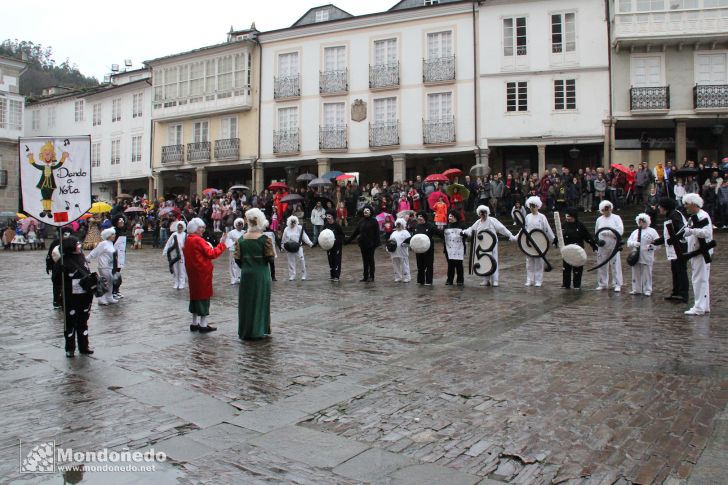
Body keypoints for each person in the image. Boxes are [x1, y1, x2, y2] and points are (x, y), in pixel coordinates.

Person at [183, 218, 227, 333]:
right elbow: (212, 253)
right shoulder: (198, 240)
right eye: (200, 228)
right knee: (203, 297)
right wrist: (222, 244)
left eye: (203, 227)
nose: (202, 230)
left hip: (193, 273)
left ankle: (194, 322)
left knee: (194, 297)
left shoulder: (188, 239)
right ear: (194, 229)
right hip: (202, 273)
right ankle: (203, 324)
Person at [235, 208, 273, 340]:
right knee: (260, 301)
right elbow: (270, 259)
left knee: (246, 303)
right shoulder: (264, 239)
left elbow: (237, 260)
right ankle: (258, 330)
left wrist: (247, 265)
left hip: (246, 274)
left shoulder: (241, 239)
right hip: (261, 273)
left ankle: (246, 331)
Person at [462, 205, 516, 287]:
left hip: (492, 244)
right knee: (484, 262)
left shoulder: (492, 220)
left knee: (494, 261)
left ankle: (495, 280)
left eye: (484, 212)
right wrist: (465, 232)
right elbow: (471, 229)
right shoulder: (478, 222)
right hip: (482, 245)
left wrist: (509, 235)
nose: (483, 214)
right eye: (481, 213)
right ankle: (486, 280)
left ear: (487, 213)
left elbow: (501, 228)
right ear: (479, 214)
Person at [60, 236, 94, 357]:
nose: (79, 246)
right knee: (70, 323)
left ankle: (84, 346)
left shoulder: (81, 257)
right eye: (77, 244)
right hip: (71, 296)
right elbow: (57, 280)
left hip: (85, 295)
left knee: (83, 322)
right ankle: (70, 348)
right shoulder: (63, 261)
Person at [681, 193, 714, 316]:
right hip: (695, 252)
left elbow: (706, 233)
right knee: (699, 279)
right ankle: (703, 305)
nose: (685, 207)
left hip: (701, 252)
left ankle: (699, 307)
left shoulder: (703, 216)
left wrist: (692, 231)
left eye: (687, 204)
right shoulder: (693, 217)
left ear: (693, 204)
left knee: (699, 279)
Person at [653, 198, 689, 303]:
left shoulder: (674, 215)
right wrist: (657, 241)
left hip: (679, 247)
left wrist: (671, 240)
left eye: (660, 206)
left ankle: (683, 294)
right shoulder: (670, 215)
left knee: (681, 270)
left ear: (665, 207)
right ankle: (676, 292)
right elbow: (669, 235)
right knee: (675, 270)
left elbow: (680, 230)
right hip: (674, 247)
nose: (659, 208)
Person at [560, 208, 597, 290]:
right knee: (566, 268)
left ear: (574, 217)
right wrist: (555, 241)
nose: (568, 218)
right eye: (567, 216)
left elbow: (587, 236)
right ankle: (566, 284)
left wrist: (593, 245)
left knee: (577, 267)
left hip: (577, 251)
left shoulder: (580, 225)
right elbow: (560, 235)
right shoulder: (564, 224)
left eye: (570, 217)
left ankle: (576, 284)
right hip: (566, 250)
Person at [523, 196, 555, 287]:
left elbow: (547, 229)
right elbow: (524, 229)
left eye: (534, 206)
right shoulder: (527, 217)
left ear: (538, 206)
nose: (532, 208)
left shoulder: (542, 217)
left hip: (540, 242)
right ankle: (529, 280)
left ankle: (538, 280)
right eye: (531, 206)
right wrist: (515, 237)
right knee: (529, 262)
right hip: (529, 242)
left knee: (539, 262)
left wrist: (553, 239)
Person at [626, 213, 659, 296]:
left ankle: (647, 289)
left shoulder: (652, 231)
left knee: (647, 273)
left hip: (647, 255)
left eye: (643, 221)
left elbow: (658, 244)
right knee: (636, 272)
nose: (641, 223)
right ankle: (636, 289)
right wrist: (634, 244)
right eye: (639, 221)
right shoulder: (635, 232)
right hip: (636, 255)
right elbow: (628, 242)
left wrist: (650, 247)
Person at [595, 200, 624, 292]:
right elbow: (596, 232)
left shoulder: (616, 218)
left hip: (613, 244)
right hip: (603, 246)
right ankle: (602, 283)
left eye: (608, 209)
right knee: (602, 264)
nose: (607, 211)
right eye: (604, 209)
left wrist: (609, 233)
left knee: (615, 264)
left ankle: (617, 283)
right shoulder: (599, 219)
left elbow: (620, 230)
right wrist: (598, 241)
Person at [346, 206, 380, 282]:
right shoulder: (361, 221)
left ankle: (371, 276)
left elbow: (377, 234)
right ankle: (365, 276)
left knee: (370, 260)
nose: (366, 211)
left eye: (367, 210)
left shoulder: (374, 221)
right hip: (363, 244)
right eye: (364, 210)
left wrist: (376, 244)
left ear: (370, 212)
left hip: (371, 244)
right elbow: (355, 232)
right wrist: (348, 241)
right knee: (365, 260)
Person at [86, 228, 118, 305]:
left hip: (110, 266)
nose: (114, 236)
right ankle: (101, 299)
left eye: (114, 234)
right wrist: (87, 258)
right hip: (103, 266)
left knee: (110, 281)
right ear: (108, 236)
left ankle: (109, 297)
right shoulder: (103, 243)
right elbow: (95, 251)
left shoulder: (110, 243)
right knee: (105, 282)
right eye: (112, 234)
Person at [281, 215, 313, 281]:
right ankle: (292, 275)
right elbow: (283, 239)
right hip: (289, 247)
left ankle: (304, 274)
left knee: (302, 259)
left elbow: (304, 236)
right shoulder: (286, 229)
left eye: (294, 223)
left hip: (298, 246)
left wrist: (310, 243)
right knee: (291, 261)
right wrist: (282, 246)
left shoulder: (299, 228)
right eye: (292, 223)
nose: (293, 224)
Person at [323, 211, 345, 281]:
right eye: (327, 216)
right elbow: (322, 234)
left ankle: (336, 276)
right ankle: (332, 275)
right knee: (331, 260)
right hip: (329, 246)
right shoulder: (326, 225)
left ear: (332, 216)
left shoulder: (337, 225)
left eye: (329, 216)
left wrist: (337, 240)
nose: (328, 218)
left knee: (337, 260)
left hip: (337, 246)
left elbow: (342, 235)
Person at [388, 218, 411, 283]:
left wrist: (405, 244)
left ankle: (407, 277)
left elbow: (409, 241)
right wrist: (388, 248)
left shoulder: (406, 232)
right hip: (394, 252)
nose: (398, 225)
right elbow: (390, 241)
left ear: (403, 225)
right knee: (395, 264)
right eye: (397, 224)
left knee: (404, 264)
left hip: (402, 252)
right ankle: (398, 277)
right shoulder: (393, 233)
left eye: (399, 224)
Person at [111, 214, 127, 299]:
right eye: (120, 220)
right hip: (114, 255)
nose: (122, 222)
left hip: (120, 255)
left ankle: (117, 290)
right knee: (113, 273)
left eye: (122, 220)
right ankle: (112, 291)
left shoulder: (122, 231)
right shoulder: (113, 231)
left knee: (118, 273)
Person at [226, 218, 246, 285]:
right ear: (235, 225)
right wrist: (233, 242)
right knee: (232, 265)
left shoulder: (244, 232)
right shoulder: (231, 233)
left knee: (240, 265)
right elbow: (227, 241)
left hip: (242, 251)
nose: (240, 226)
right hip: (233, 250)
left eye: (241, 224)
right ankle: (233, 279)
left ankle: (239, 277)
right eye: (238, 224)